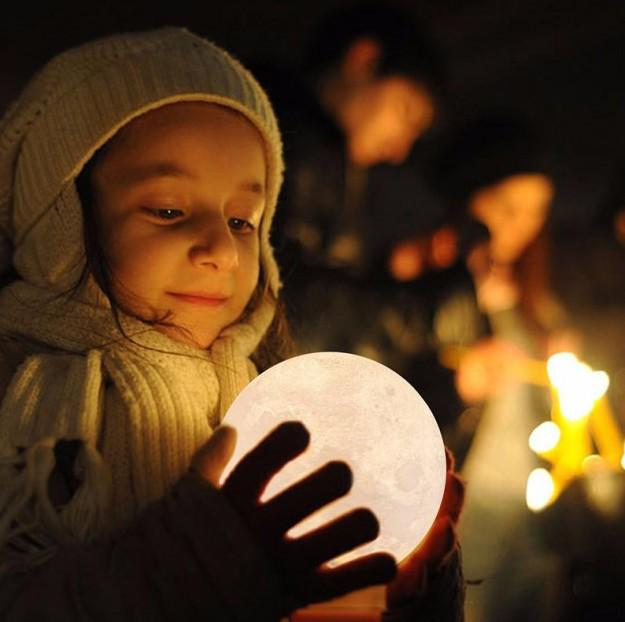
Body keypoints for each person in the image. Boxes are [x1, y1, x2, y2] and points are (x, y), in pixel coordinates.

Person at [0, 27, 464, 621]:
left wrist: (408, 586)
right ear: (60, 220)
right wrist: (196, 561)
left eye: (244, 220)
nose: (220, 247)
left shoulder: (274, 406)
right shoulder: (22, 414)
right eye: (168, 210)